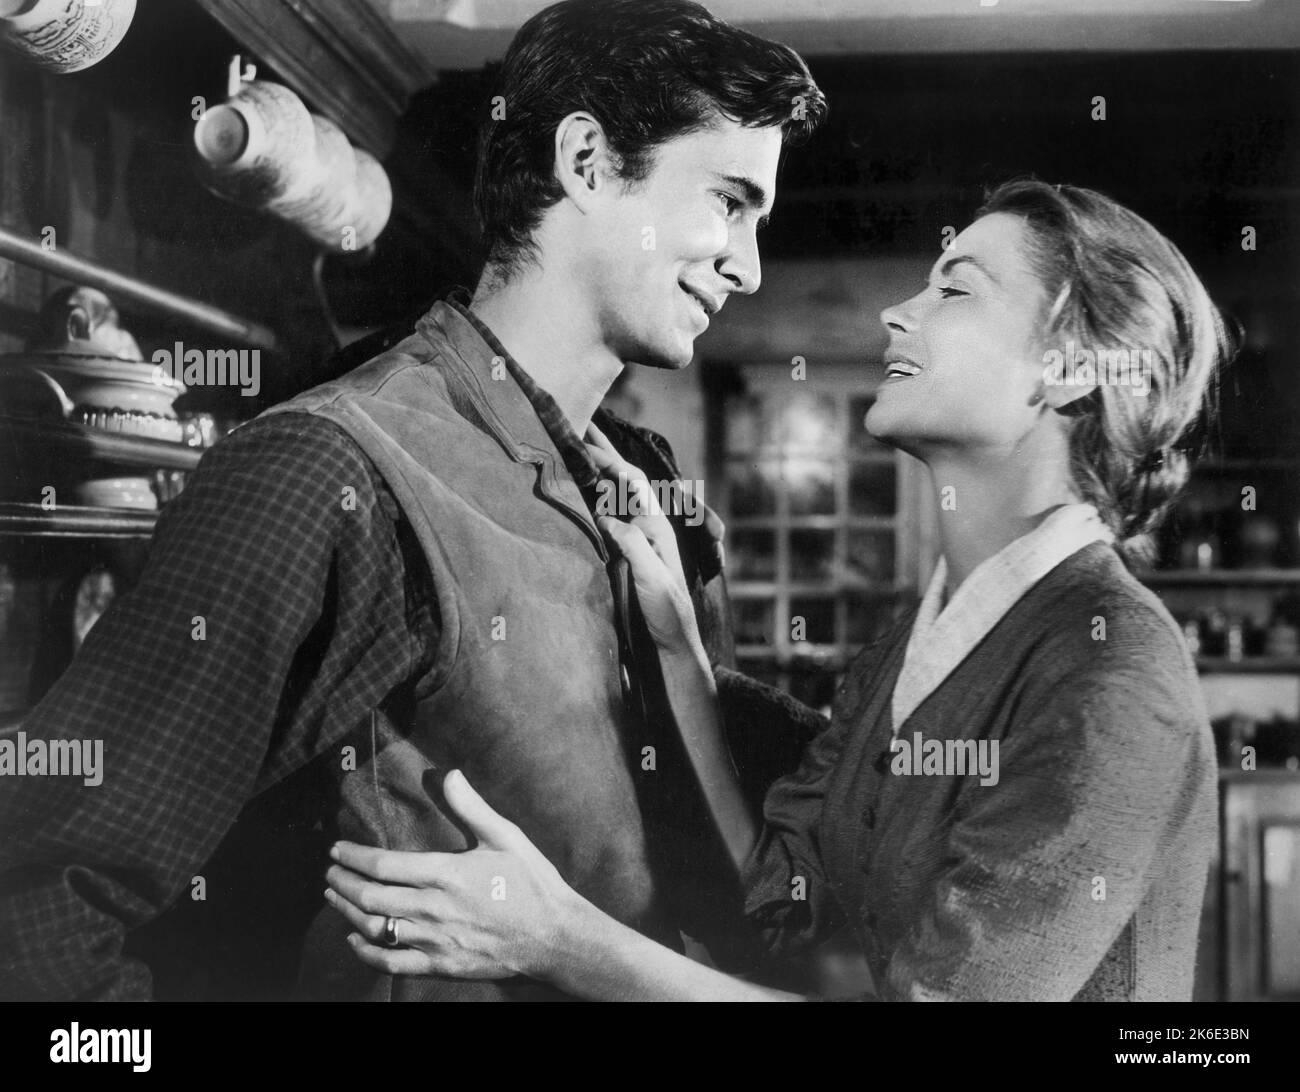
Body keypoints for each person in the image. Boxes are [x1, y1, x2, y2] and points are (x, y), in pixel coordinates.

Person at [0, 0, 826, 1000]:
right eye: (728, 202)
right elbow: (34, 904)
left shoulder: (645, 498)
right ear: (589, 162)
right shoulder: (324, 473)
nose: (748, 266)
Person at [325, 180, 1233, 1001]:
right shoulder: (923, 640)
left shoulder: (1113, 677)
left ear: (1075, 370)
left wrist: (558, 939)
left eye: (954, 289)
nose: (895, 312)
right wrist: (680, 646)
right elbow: (782, 896)